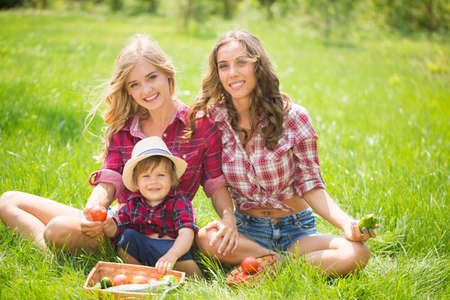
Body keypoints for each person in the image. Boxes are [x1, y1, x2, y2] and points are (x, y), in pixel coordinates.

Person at [0, 34, 255, 258]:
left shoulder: (199, 126)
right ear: (128, 90)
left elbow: (215, 183)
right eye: (134, 84)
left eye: (151, 77)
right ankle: (48, 254)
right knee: (8, 201)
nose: (146, 90)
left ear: (167, 74)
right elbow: (109, 181)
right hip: (120, 222)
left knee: (57, 229)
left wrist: (228, 218)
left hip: (166, 233)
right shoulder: (125, 127)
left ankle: (75, 246)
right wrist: (95, 209)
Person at [189, 30, 377, 276]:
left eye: (241, 62)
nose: (232, 72)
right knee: (204, 238)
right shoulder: (213, 120)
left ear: (258, 66)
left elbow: (311, 184)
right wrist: (228, 220)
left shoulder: (294, 116)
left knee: (357, 253)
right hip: (246, 228)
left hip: (296, 229)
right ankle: (276, 263)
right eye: (224, 66)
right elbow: (216, 183)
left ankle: (269, 265)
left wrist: (347, 224)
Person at [102, 136, 202, 276]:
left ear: (172, 179)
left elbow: (187, 232)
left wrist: (172, 255)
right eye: (146, 176)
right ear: (136, 183)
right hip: (142, 250)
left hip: (171, 250)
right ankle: (138, 275)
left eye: (161, 175)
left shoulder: (178, 201)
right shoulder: (133, 203)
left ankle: (196, 279)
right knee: (127, 237)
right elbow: (118, 227)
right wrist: (109, 225)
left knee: (188, 266)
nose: (153, 181)